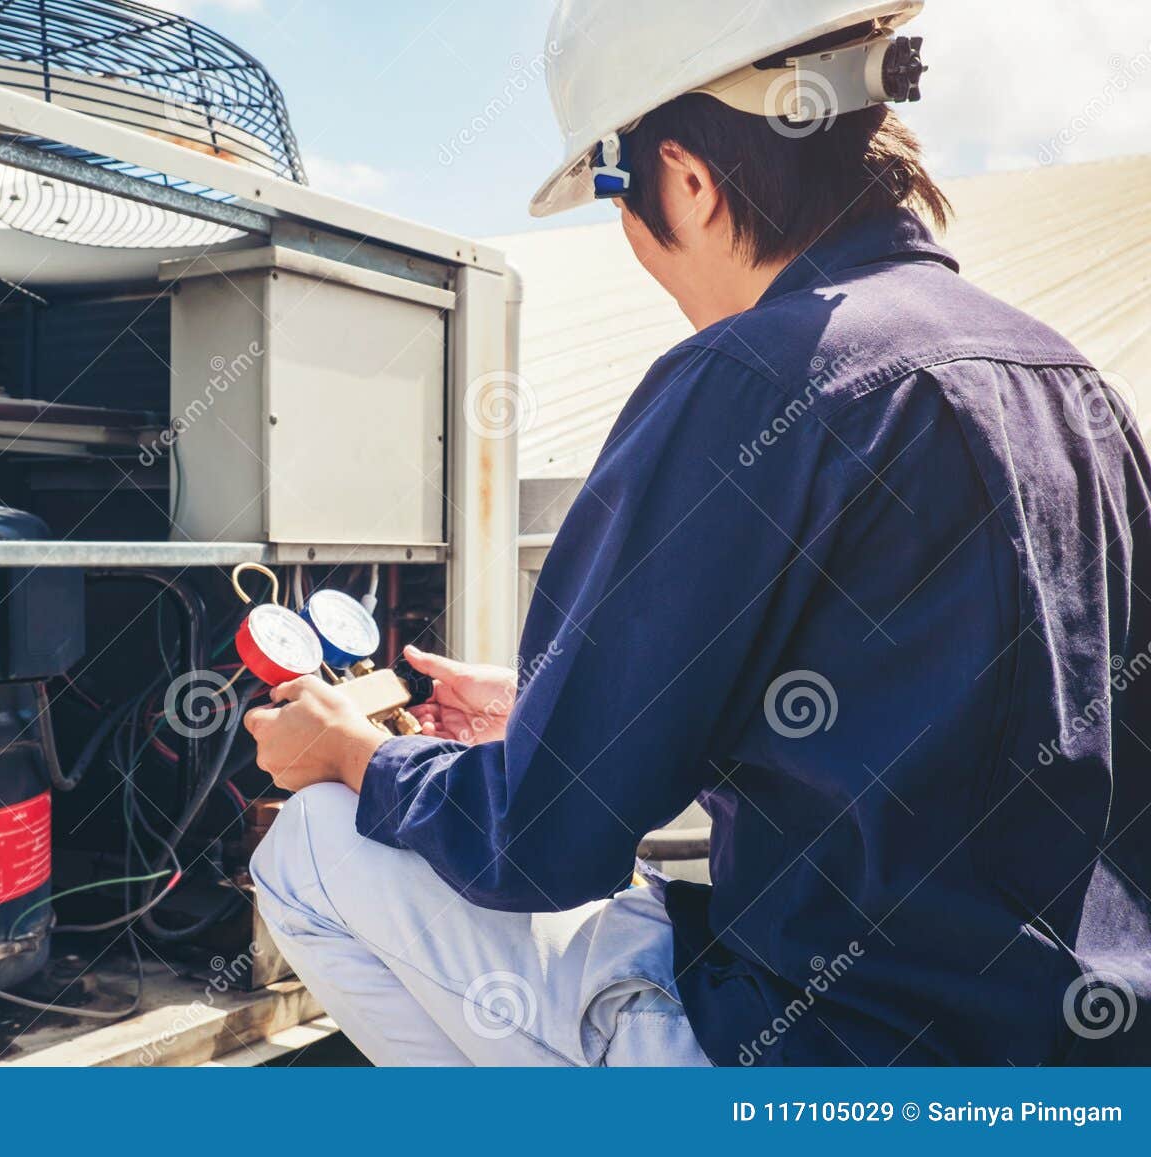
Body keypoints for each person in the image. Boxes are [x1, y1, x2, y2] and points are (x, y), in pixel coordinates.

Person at [244, 0, 1151, 1066]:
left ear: (681, 175)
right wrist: (546, 714)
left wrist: (354, 754)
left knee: (310, 848)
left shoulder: (747, 379)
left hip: (828, 1062)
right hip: (1081, 1056)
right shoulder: (1071, 384)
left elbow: (540, 843)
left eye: (614, 193)